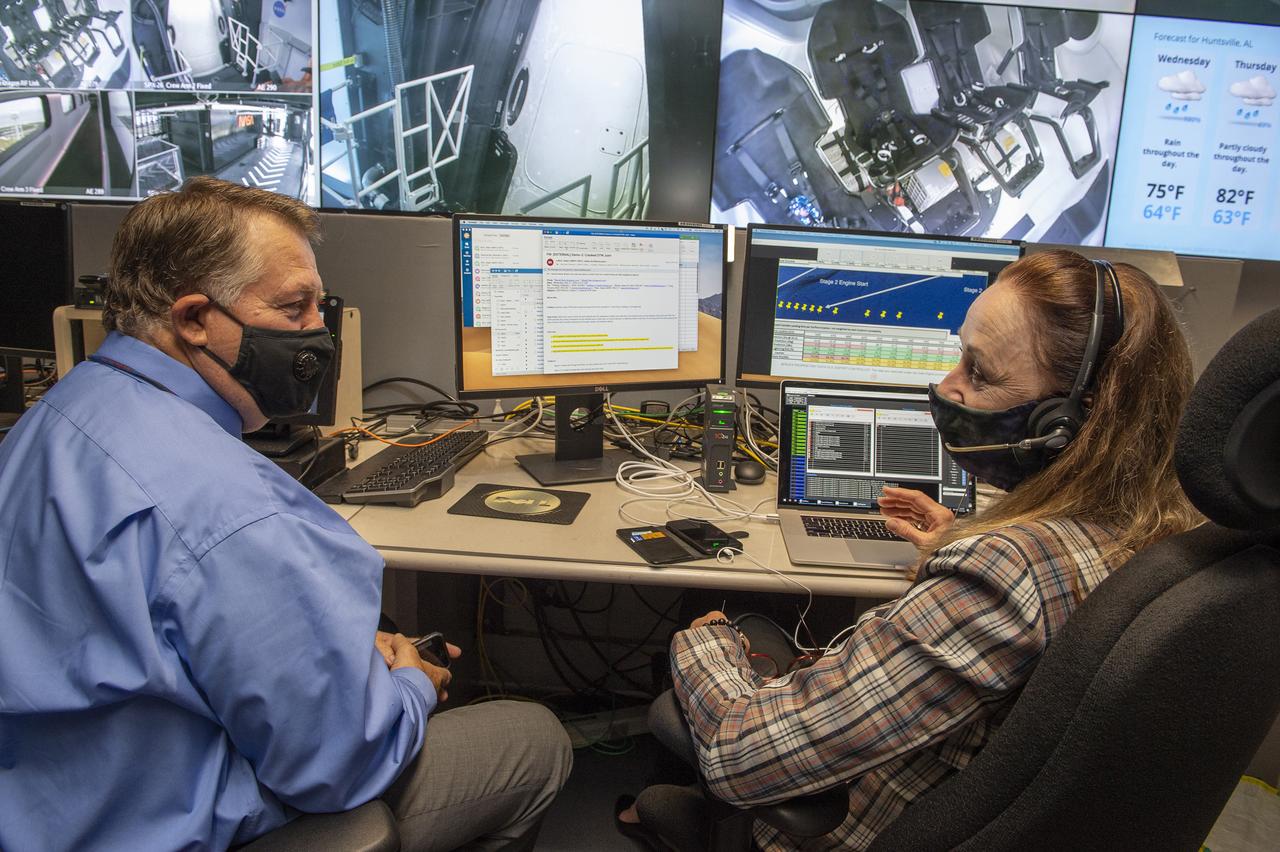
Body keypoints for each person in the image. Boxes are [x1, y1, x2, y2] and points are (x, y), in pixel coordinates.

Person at [0, 177, 571, 851]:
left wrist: (349, 655)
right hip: (169, 825)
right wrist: (411, 685)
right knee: (533, 742)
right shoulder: (228, 507)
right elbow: (337, 764)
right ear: (192, 319)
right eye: (295, 309)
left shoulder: (50, 421)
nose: (318, 333)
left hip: (51, 806)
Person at [619, 250, 1202, 850]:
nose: (947, 386)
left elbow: (739, 755)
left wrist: (702, 642)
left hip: (861, 824)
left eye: (980, 372)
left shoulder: (1006, 572)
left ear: (1070, 420)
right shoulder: (1164, 537)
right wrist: (957, 541)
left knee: (724, 634)